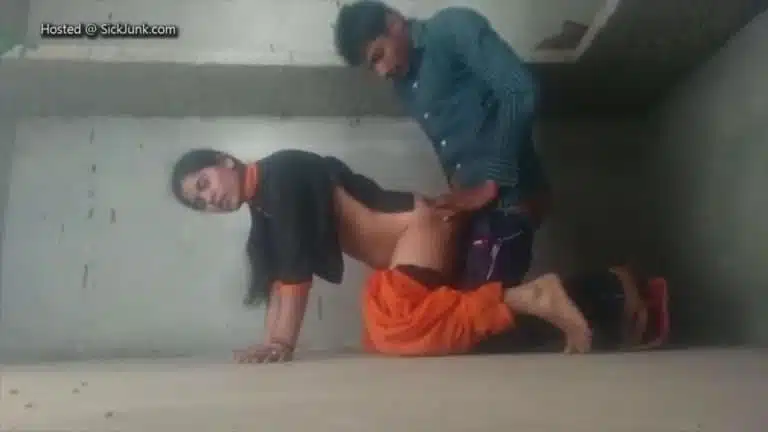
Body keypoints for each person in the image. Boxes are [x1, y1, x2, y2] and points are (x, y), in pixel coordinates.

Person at [170, 148, 667, 362]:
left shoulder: (279, 174)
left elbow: (297, 274)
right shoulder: (264, 205)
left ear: (224, 161)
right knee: (419, 334)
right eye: (199, 202)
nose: (210, 199)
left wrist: (282, 342)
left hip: (418, 228)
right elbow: (281, 279)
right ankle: (611, 290)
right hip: (408, 247)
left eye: (204, 184)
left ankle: (538, 295)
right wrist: (270, 343)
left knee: (395, 323)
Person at [334, 1, 551, 291]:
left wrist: (491, 183)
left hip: (511, 198)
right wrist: (456, 201)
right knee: (445, 305)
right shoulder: (404, 85)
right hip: (474, 210)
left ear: (394, 22)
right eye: (372, 67)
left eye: (378, 55)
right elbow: (449, 147)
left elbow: (520, 90)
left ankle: (594, 291)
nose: (382, 71)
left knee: (478, 310)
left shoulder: (451, 28)